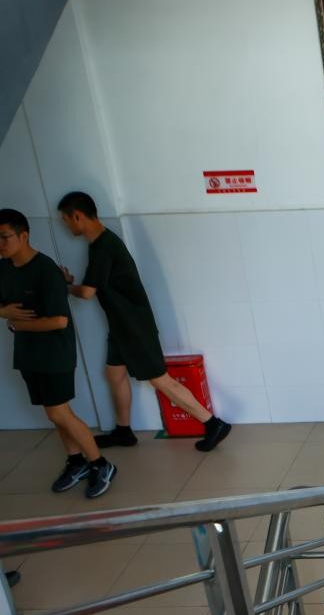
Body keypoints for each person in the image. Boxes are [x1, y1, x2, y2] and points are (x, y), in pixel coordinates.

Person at [56, 192, 231, 452]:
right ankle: (124, 431)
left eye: (65, 220)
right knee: (114, 374)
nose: (65, 225)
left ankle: (213, 424)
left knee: (160, 380)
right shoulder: (100, 244)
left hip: (133, 327)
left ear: (78, 216)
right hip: (121, 326)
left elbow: (88, 292)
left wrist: (64, 286)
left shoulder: (104, 247)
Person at [0, 208, 116, 498]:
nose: (0, 245)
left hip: (54, 354)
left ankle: (101, 464)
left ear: (23, 235)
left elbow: (59, 321)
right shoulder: (3, 269)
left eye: (4, 237)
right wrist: (5, 313)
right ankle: (76, 462)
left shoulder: (45, 271)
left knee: (59, 412)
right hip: (27, 353)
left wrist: (18, 324)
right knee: (55, 415)